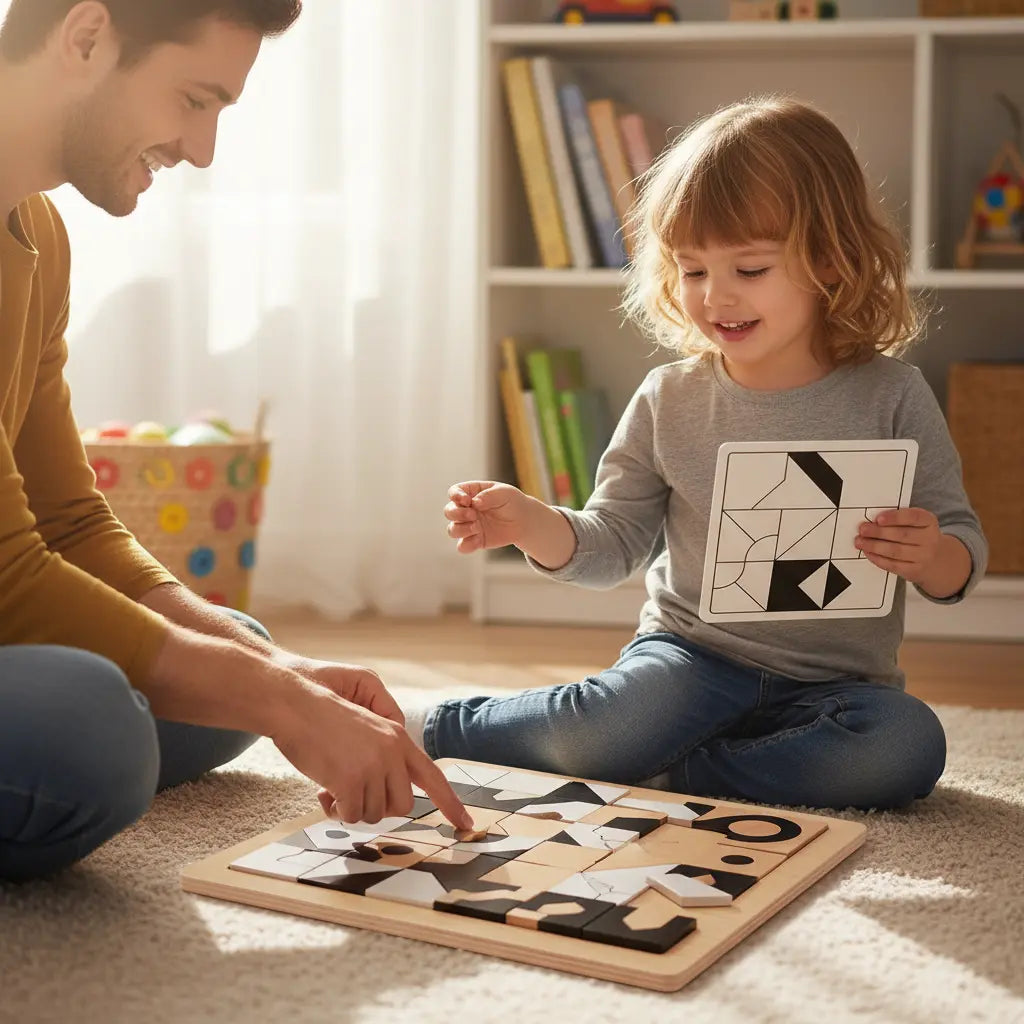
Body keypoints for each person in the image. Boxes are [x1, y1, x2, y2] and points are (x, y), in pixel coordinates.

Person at [0, 0, 471, 883]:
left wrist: (282, 677)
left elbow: (67, 524)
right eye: (193, 99)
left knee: (240, 651)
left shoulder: (38, 235)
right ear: (86, 37)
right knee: (97, 727)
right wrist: (281, 700)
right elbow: (8, 576)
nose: (203, 149)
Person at [433, 96, 988, 812]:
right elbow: (613, 544)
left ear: (830, 259)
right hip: (689, 662)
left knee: (906, 747)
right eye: (692, 271)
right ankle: (444, 725)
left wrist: (933, 554)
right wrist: (532, 522)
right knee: (617, 721)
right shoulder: (671, 399)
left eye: (749, 270)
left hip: (837, 690)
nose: (715, 297)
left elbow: (962, 553)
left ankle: (675, 775)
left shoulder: (894, 397)